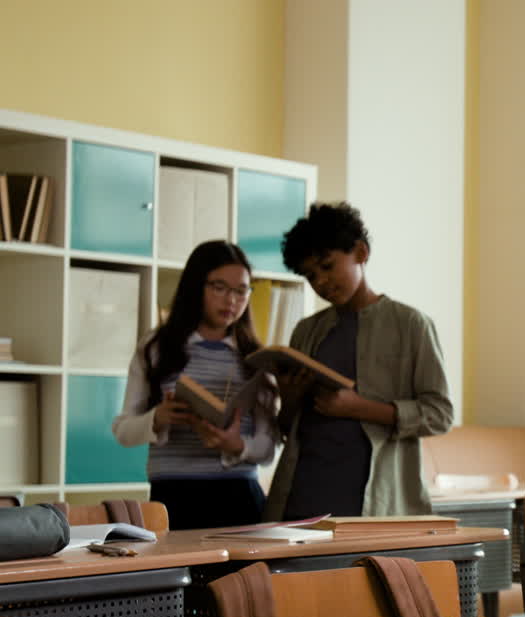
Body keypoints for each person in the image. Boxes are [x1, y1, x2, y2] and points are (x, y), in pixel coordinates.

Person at [262, 202, 453, 521]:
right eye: (310, 275)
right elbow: (287, 428)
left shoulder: (411, 325)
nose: (321, 281)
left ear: (361, 253)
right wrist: (290, 398)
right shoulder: (307, 330)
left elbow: (440, 414)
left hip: (373, 499)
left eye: (327, 266)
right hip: (302, 492)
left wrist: (359, 408)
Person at [112, 240, 277, 529]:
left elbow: (267, 446)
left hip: (239, 494)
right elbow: (123, 430)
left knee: (242, 575)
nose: (231, 301)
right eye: (219, 287)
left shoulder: (255, 357)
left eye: (241, 291)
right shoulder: (156, 347)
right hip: (173, 496)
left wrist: (236, 444)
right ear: (195, 286)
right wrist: (158, 419)